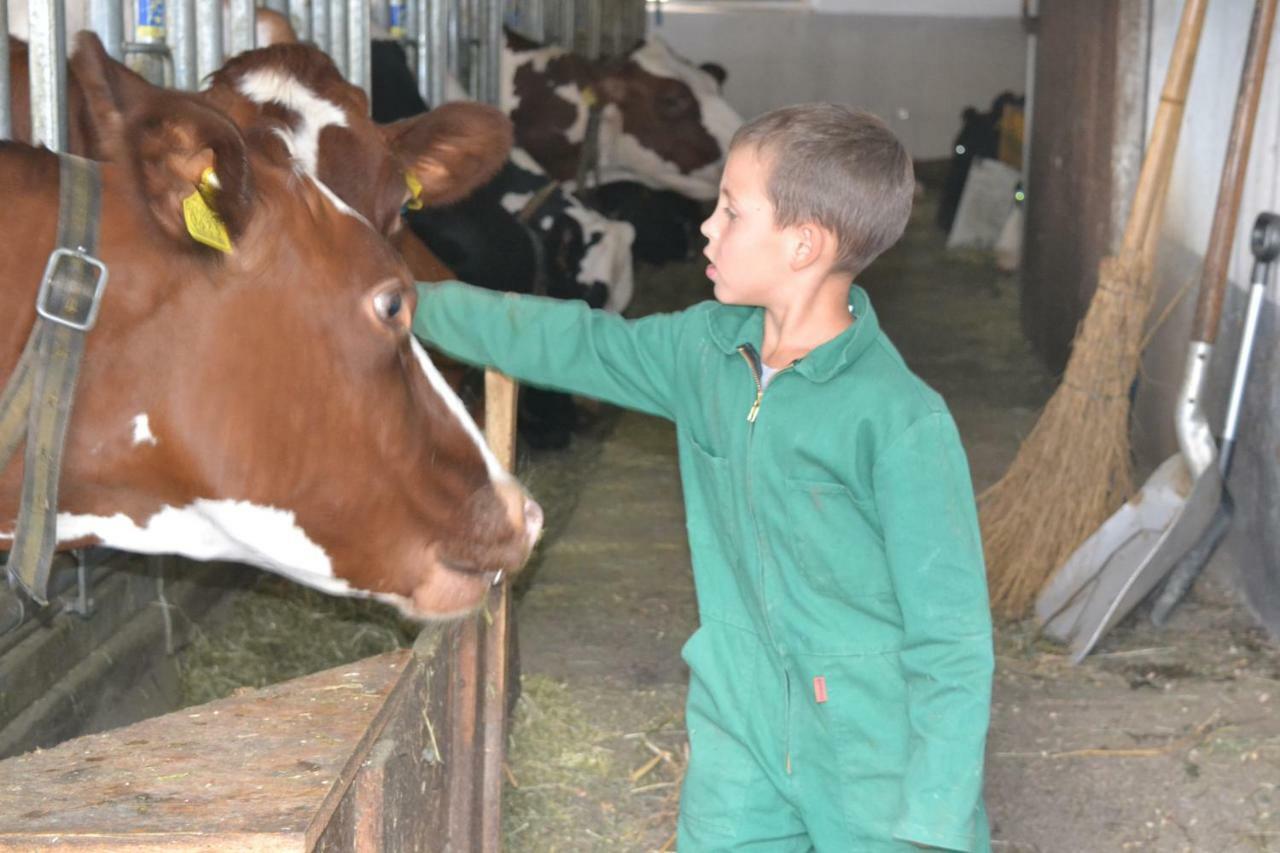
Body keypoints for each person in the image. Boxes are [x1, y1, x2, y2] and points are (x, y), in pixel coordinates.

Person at [412, 103, 994, 852]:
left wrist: (938, 815)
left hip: (871, 747)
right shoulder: (704, 354)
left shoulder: (899, 419)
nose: (707, 230)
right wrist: (407, 303)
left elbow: (952, 637)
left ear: (803, 244)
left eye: (730, 211)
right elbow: (573, 341)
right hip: (737, 723)